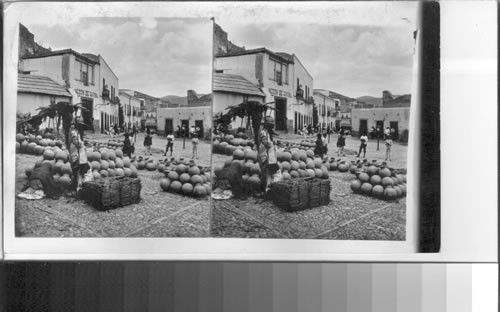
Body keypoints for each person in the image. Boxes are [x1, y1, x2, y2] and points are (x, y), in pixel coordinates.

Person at [69, 123, 91, 193]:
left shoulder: (75, 133)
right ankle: (79, 188)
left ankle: (78, 187)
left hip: (79, 158)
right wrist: (81, 143)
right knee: (79, 173)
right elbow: (78, 143)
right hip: (78, 159)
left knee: (79, 173)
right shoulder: (74, 134)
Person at [258, 117, 279, 193]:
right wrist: (272, 143)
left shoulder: (267, 132)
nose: (272, 127)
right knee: (267, 173)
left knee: (270, 172)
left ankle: (268, 188)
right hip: (266, 155)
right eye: (271, 125)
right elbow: (267, 143)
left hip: (269, 156)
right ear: (267, 125)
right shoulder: (264, 133)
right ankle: (267, 189)